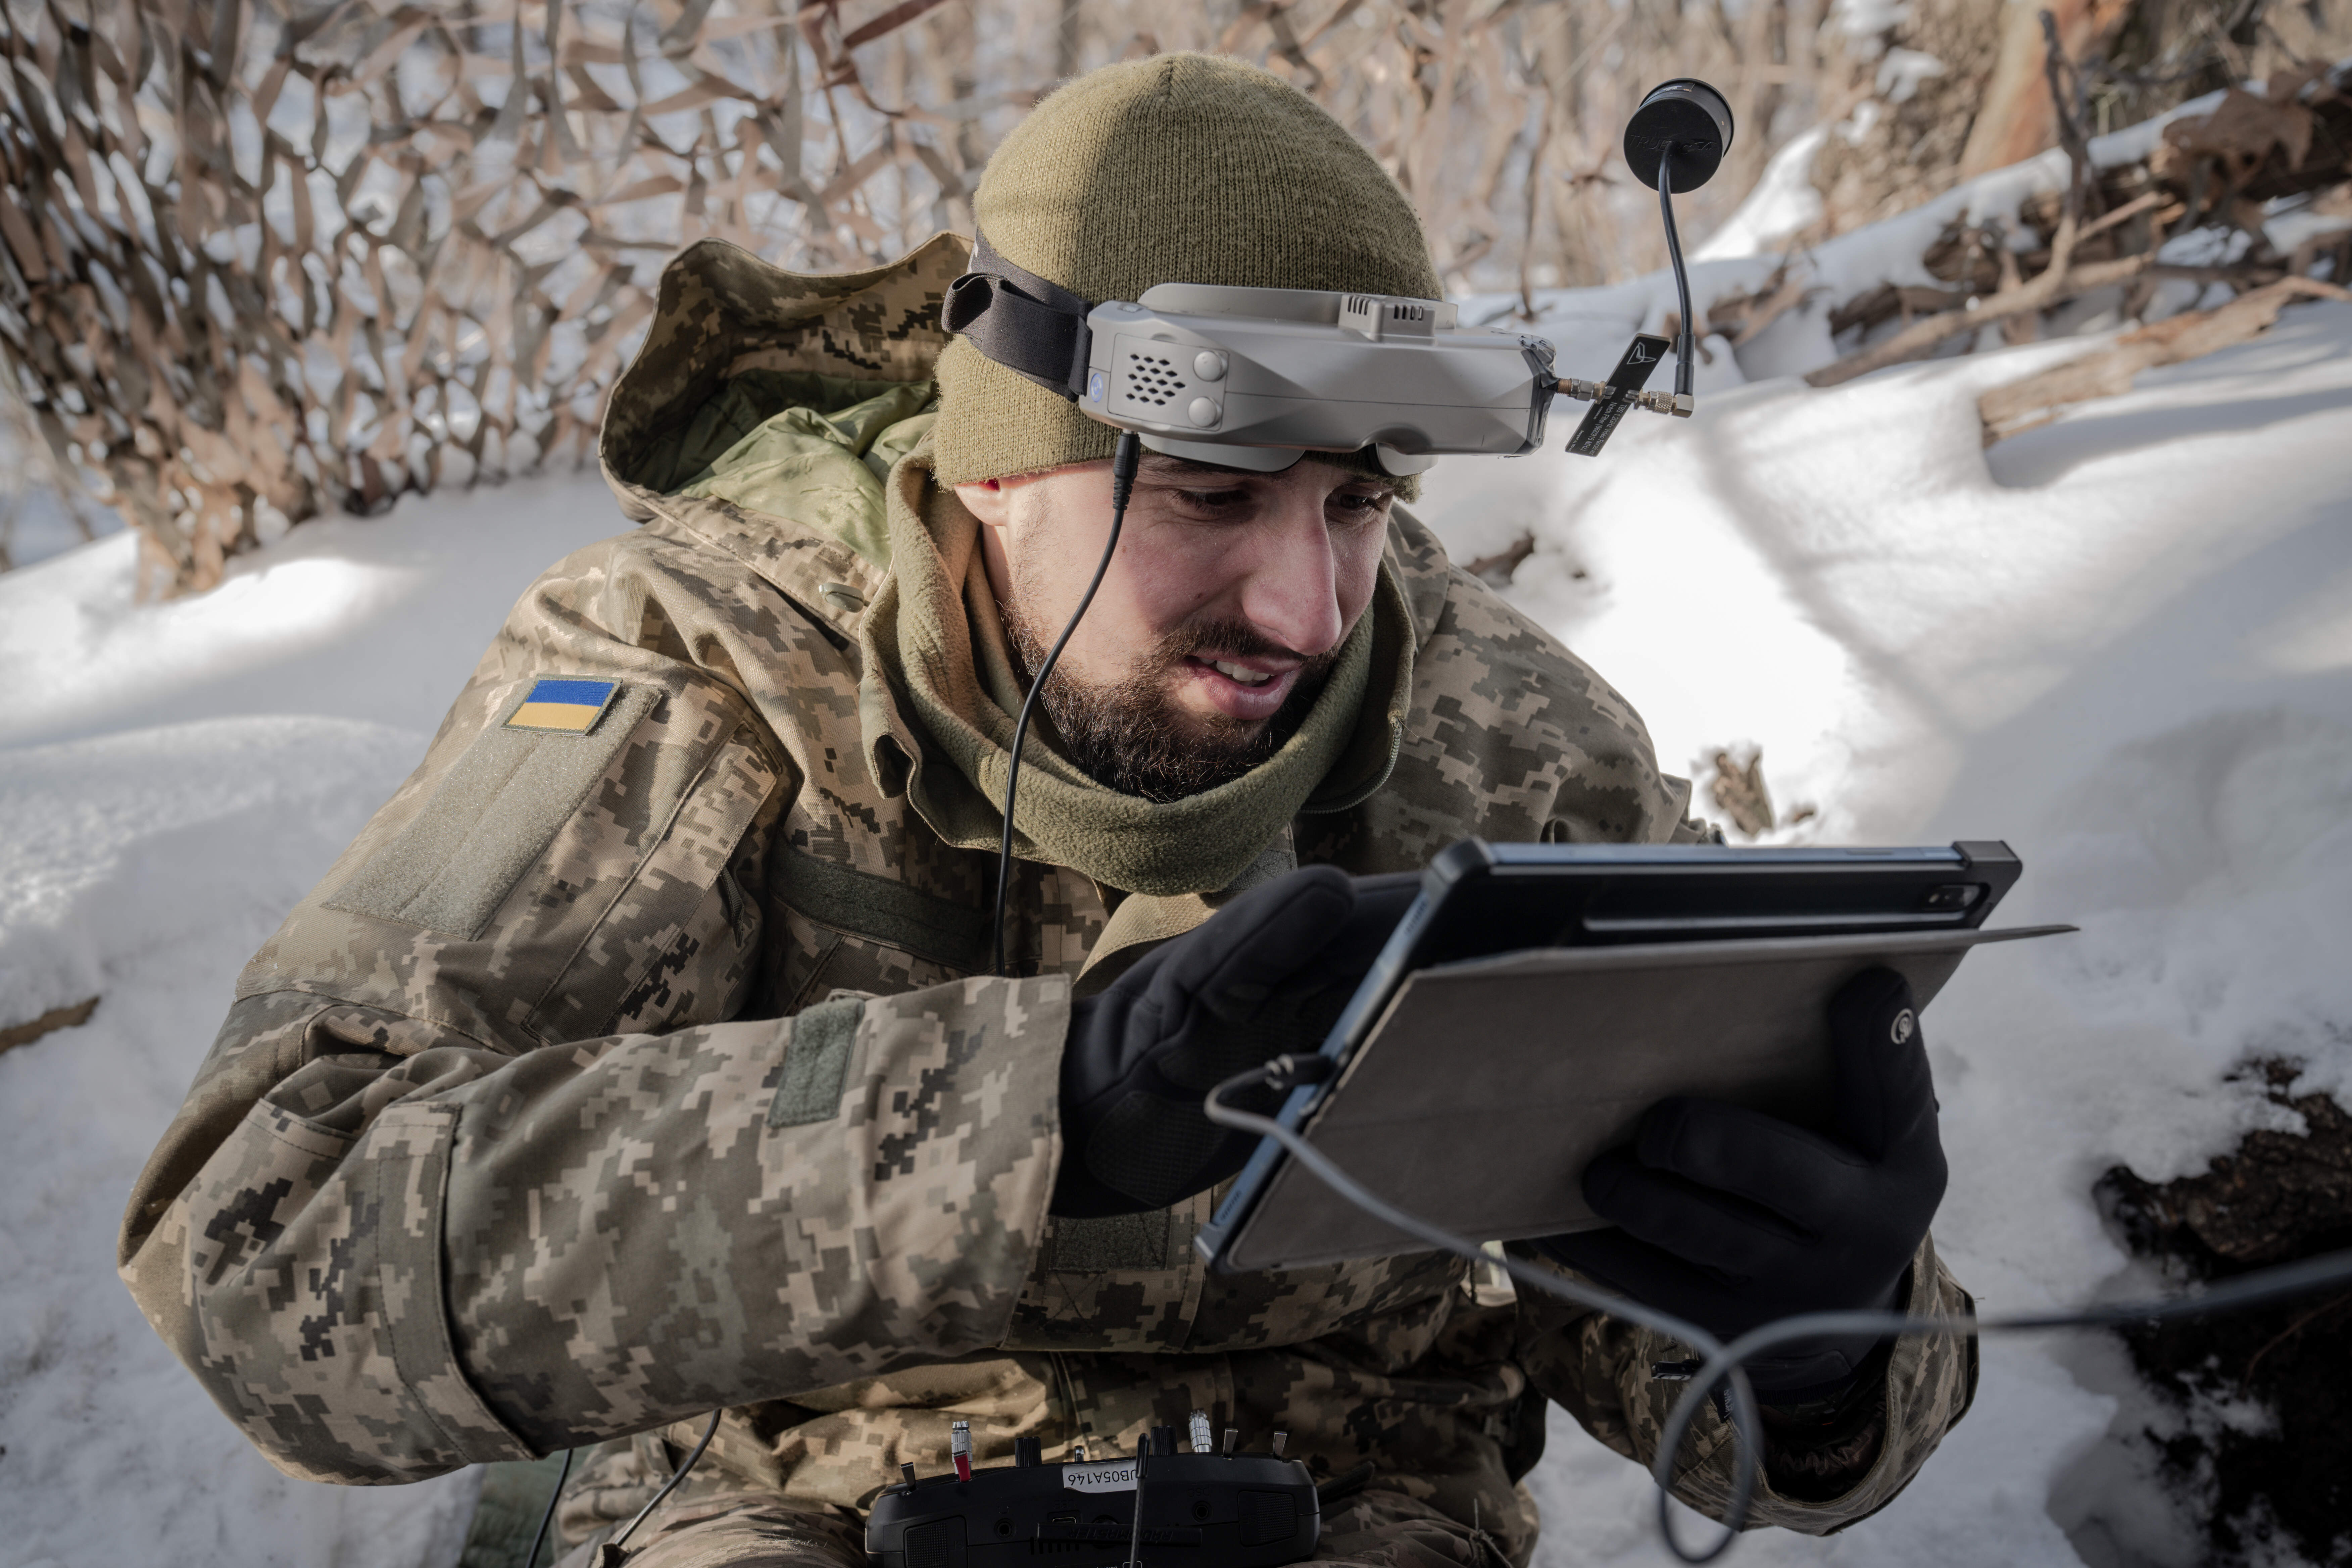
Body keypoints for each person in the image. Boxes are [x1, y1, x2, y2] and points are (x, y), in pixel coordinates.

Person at [117, 53, 1976, 1568]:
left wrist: (1820, 1338)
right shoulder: (702, 669)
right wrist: (1027, 1122)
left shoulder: (1514, 748)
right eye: (1213, 496)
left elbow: (1731, 1427)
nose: (1312, 615)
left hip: (1367, 1508)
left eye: (1356, 502)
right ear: (999, 473)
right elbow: (271, 1253)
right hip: (787, 1497)